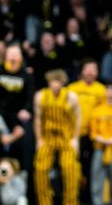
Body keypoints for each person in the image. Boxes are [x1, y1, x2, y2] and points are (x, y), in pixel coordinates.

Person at [33, 69, 81, 205]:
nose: (54, 84)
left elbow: (78, 118)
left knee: (70, 167)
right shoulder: (40, 96)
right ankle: (44, 201)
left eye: (57, 81)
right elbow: (37, 119)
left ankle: (70, 202)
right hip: (48, 136)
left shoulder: (71, 96)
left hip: (66, 136)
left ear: (62, 82)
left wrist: (75, 139)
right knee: (40, 167)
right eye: (52, 81)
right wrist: (39, 139)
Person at [67, 59, 106, 203]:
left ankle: (90, 200)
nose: (90, 71)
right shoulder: (72, 88)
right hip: (75, 135)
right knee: (73, 169)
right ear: (82, 71)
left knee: (93, 171)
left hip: (94, 136)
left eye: (93, 69)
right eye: (87, 68)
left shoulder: (102, 90)